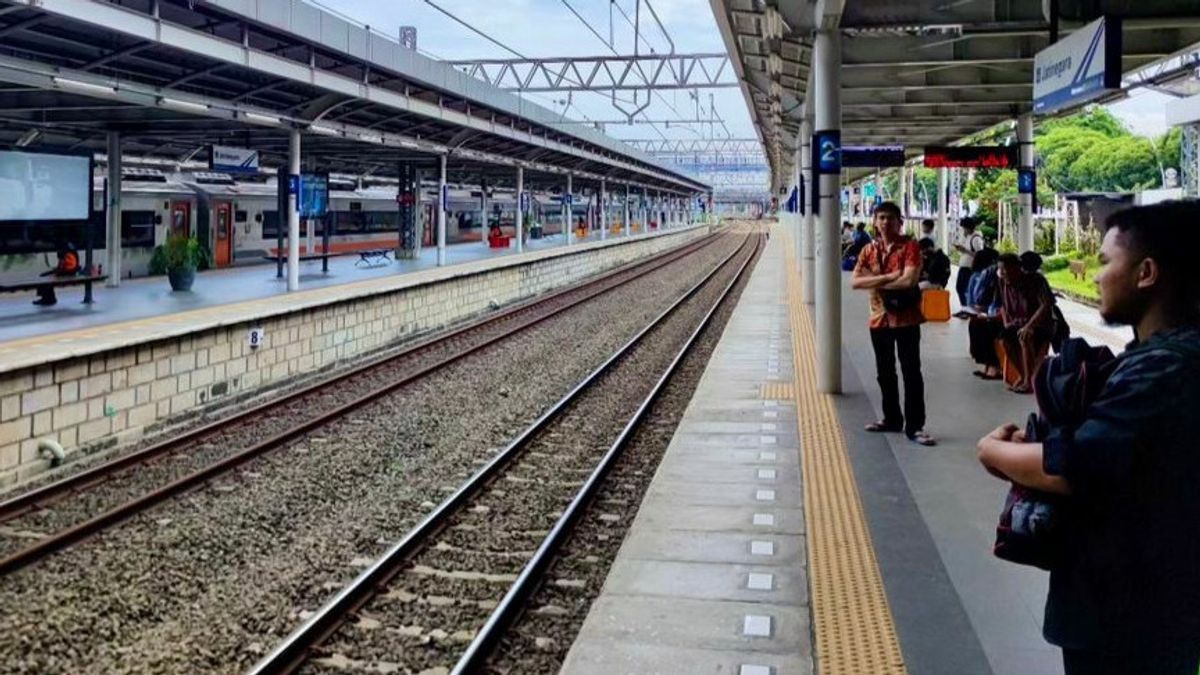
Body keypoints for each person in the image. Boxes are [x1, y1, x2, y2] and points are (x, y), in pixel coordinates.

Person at [977, 202, 1200, 674]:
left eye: (1105, 262)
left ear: (1147, 273)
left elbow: (1076, 467)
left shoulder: (1165, 367)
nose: (1096, 276)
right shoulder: (1156, 356)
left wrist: (994, 452)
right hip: (1142, 602)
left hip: (1128, 612)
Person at [852, 201, 935, 446]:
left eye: (890, 218)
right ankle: (891, 419)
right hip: (879, 320)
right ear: (875, 222)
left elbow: (909, 280)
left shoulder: (910, 246)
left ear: (900, 222)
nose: (886, 222)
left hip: (907, 319)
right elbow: (855, 281)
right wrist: (889, 278)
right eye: (881, 218)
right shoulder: (869, 250)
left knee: (911, 372)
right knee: (884, 373)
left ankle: (915, 426)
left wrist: (874, 281)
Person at [996, 252, 1056, 393]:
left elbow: (1045, 305)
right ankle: (1023, 376)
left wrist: (1029, 326)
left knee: (1025, 336)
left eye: (1005, 269)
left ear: (1017, 269)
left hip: (1041, 324)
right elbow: (1003, 306)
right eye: (1001, 270)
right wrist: (1007, 324)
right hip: (1018, 323)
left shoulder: (1036, 280)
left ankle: (1029, 381)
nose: (1002, 273)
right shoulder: (1003, 282)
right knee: (1005, 338)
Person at [965, 248, 1003, 379]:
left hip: (1009, 319)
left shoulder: (996, 279)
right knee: (976, 324)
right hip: (997, 314)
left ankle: (994, 366)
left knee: (985, 327)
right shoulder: (990, 277)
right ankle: (988, 364)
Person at [952, 217, 986, 316]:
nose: (963, 230)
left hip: (970, 268)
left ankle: (968, 310)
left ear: (968, 227)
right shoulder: (967, 237)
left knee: (966, 289)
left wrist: (965, 251)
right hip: (964, 266)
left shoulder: (976, 238)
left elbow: (980, 255)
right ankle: (965, 308)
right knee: (960, 288)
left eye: (964, 228)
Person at [33, 241, 80, 307]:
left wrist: (57, 271)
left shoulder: (63, 249)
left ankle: (48, 299)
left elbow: (62, 264)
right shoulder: (69, 247)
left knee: (46, 277)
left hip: (67, 272)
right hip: (71, 271)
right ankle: (48, 298)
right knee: (44, 276)